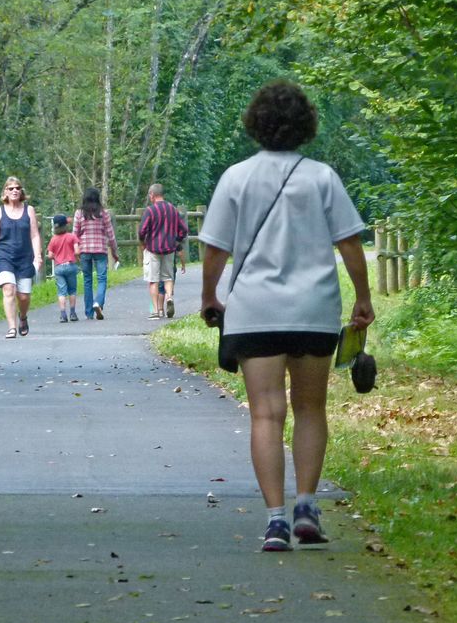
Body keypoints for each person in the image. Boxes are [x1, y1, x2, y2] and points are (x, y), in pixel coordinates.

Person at [199, 79, 374, 551]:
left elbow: (214, 248)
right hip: (313, 309)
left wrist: (209, 295)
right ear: (305, 126)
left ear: (255, 124)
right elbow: (350, 243)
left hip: (254, 310)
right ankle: (306, 507)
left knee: (266, 415)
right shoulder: (322, 178)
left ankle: (275, 520)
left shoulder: (236, 177)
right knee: (311, 408)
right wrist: (362, 297)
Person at [0, 176, 42, 338]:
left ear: (21, 191)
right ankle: (11, 327)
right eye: (11, 188)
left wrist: (37, 255)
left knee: (23, 296)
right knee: (9, 289)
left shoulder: (28, 210)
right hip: (4, 256)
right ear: (5, 192)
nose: (14, 191)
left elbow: (34, 235)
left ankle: (22, 317)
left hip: (24, 257)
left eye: (17, 188)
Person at [138, 182, 188, 319]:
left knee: (153, 280)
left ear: (152, 195)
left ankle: (155, 311)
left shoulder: (150, 211)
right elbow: (183, 230)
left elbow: (142, 231)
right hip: (169, 249)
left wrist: (143, 243)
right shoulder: (172, 209)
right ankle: (169, 297)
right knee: (168, 277)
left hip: (153, 249)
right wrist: (176, 241)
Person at [72, 187, 121, 321]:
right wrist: (115, 251)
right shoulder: (103, 213)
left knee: (87, 280)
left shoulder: (79, 213)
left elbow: (74, 235)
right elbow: (111, 235)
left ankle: (89, 313)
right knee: (101, 279)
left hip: (84, 250)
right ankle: (98, 302)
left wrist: (74, 251)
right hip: (100, 250)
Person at [46, 214, 82, 322]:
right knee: (72, 290)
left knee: (61, 292)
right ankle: (72, 313)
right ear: (66, 225)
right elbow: (77, 251)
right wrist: (77, 258)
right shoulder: (72, 236)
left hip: (59, 267)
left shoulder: (53, 239)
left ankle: (63, 314)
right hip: (71, 266)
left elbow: (50, 255)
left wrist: (56, 257)